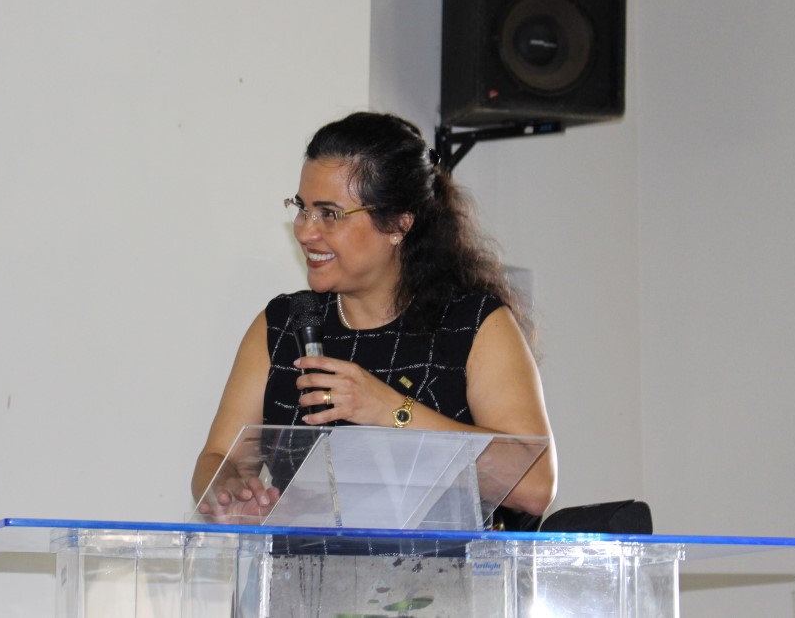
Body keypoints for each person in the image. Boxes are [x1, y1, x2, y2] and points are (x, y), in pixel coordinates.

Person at [191, 111, 556, 525]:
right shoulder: (282, 324)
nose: (305, 231)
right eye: (303, 208)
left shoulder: (472, 324)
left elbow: (535, 486)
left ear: (398, 224)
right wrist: (229, 491)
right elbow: (217, 458)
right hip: (301, 565)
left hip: (437, 568)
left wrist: (389, 410)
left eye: (330, 214)